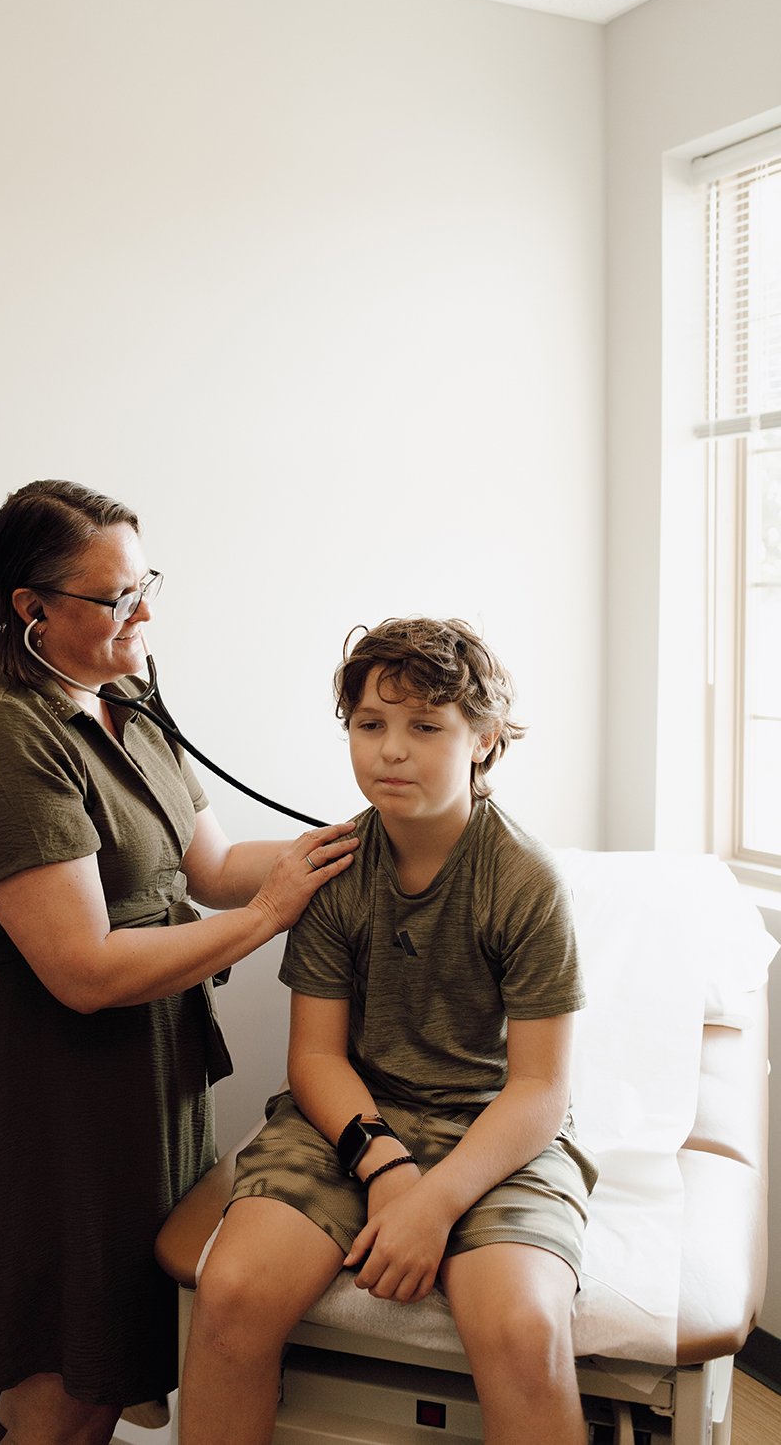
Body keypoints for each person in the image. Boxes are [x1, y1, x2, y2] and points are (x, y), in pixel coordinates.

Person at [0, 480, 357, 1445]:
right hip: (17, 1077)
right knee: (59, 1370)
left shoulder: (123, 692)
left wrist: (353, 849)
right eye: (115, 596)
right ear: (31, 608)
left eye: (147, 584)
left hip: (131, 1062)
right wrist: (272, 914)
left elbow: (208, 866)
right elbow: (83, 967)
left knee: (105, 1344)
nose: (144, 613)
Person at [180, 616, 598, 1445]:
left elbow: (540, 1089)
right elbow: (315, 1059)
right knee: (231, 1296)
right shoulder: (336, 869)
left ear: (482, 741)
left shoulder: (524, 881)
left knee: (524, 1334)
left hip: (496, 1127)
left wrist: (434, 1203)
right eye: (370, 725)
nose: (391, 750)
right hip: (350, 1115)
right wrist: (386, 1167)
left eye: (425, 727)